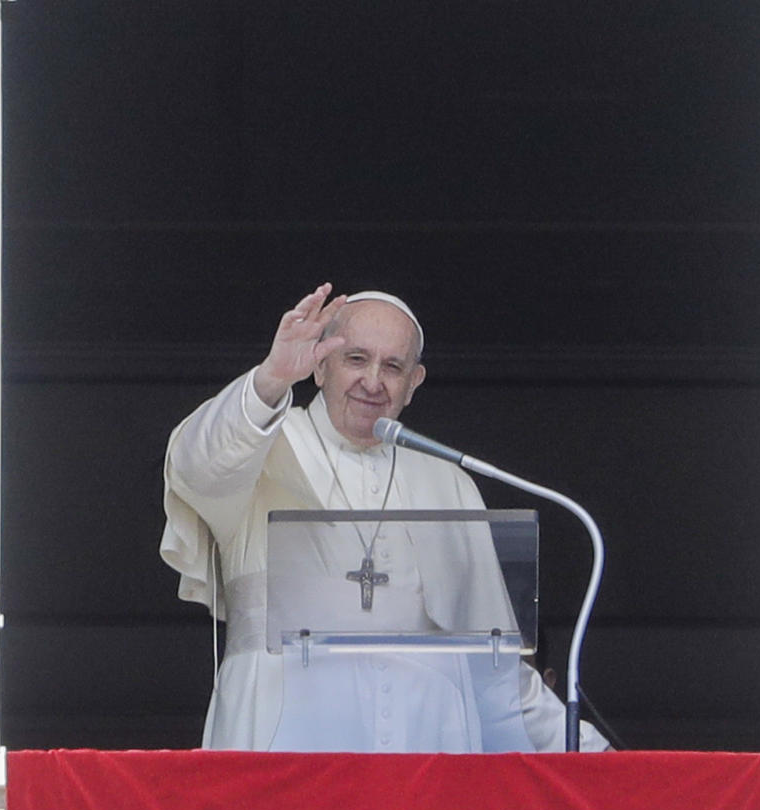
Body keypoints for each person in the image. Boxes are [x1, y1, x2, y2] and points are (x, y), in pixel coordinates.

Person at [161, 283, 605, 753]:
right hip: (282, 738)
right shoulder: (259, 445)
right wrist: (271, 379)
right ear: (318, 365)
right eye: (355, 359)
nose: (373, 381)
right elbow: (196, 468)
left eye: (392, 366)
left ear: (414, 383)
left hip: (427, 747)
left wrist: (596, 755)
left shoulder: (449, 482)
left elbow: (493, 671)